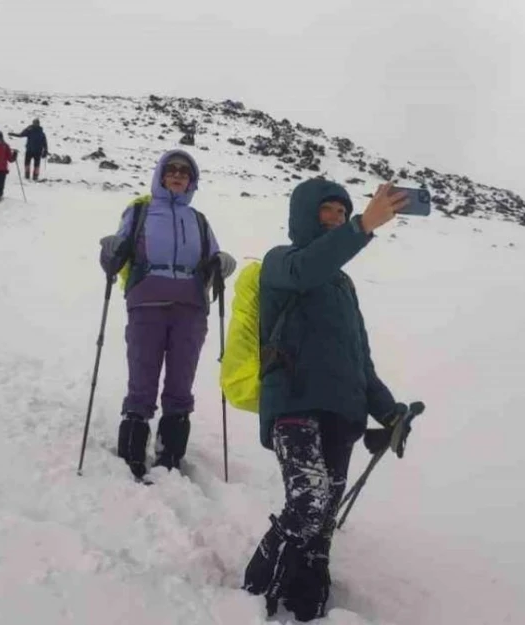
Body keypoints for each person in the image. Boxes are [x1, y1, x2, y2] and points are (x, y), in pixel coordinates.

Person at [242, 179, 410, 621]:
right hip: (293, 404)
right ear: (303, 214)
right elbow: (307, 270)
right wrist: (361, 227)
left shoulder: (344, 286)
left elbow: (360, 361)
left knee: (322, 525)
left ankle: (306, 602)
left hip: (342, 411)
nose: (335, 218)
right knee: (309, 502)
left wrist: (390, 410)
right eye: (327, 211)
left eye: (342, 212)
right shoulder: (282, 262)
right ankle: (254, 590)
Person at [97, 150, 236, 479]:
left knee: (181, 379)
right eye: (171, 169)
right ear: (161, 175)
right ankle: (132, 449)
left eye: (184, 172)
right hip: (146, 300)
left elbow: (213, 256)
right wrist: (111, 250)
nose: (177, 175)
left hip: (190, 306)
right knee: (142, 375)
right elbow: (119, 250)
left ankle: (170, 453)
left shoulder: (199, 220)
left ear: (192, 181)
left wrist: (223, 263)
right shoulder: (141, 210)